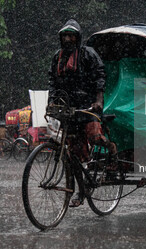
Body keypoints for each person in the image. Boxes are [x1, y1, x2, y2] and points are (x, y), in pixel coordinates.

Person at [48, 19, 117, 207]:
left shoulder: (88, 54)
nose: (68, 39)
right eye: (65, 36)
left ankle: (111, 150)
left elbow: (100, 75)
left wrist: (99, 100)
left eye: (71, 36)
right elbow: (52, 81)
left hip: (88, 106)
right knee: (74, 156)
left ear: (77, 37)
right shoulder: (58, 57)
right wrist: (52, 101)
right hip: (69, 109)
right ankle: (81, 191)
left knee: (95, 137)